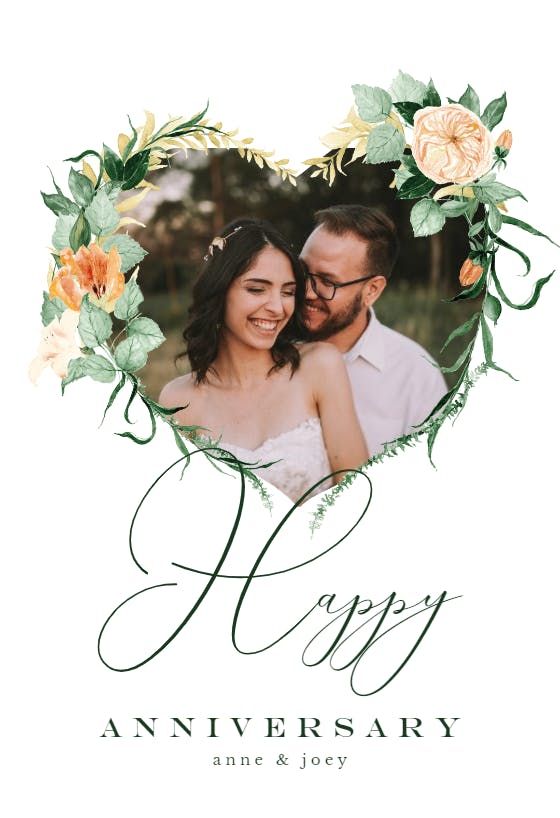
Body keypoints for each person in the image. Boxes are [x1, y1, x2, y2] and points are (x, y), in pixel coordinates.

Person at [159, 217, 367, 502]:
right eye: (256, 289)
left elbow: (359, 498)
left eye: (288, 292)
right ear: (219, 291)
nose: (277, 307)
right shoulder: (179, 401)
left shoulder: (320, 367)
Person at [300, 205, 447, 456]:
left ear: (372, 290)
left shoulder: (416, 376)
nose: (306, 292)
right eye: (302, 271)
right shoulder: (266, 346)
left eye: (327, 282)